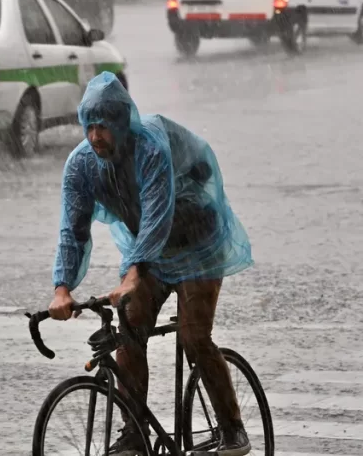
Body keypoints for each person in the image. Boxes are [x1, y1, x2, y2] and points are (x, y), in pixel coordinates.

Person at [47, 71, 255, 456]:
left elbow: (158, 217)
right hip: (149, 254)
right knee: (128, 326)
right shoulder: (81, 166)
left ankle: (232, 428)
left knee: (194, 337)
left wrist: (133, 273)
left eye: (104, 128)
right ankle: (134, 433)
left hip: (197, 243)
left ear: (123, 123)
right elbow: (72, 231)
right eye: (89, 127)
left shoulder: (151, 148)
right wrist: (62, 288)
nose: (96, 137)